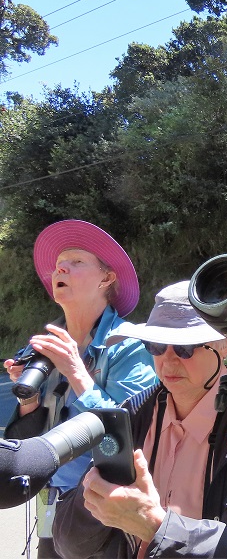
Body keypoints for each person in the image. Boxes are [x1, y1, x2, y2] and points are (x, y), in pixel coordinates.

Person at [52, 281, 227, 559]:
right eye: (156, 346)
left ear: (225, 345)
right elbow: (69, 543)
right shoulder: (135, 414)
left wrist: (154, 526)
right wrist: (96, 500)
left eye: (185, 348)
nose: (169, 360)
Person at [3, 219, 157, 559]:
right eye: (59, 264)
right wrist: (30, 397)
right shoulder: (46, 346)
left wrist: (76, 372)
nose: (60, 267)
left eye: (76, 261)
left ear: (106, 278)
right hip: (55, 503)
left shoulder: (129, 345)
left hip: (106, 510)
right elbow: (35, 439)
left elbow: (133, 431)